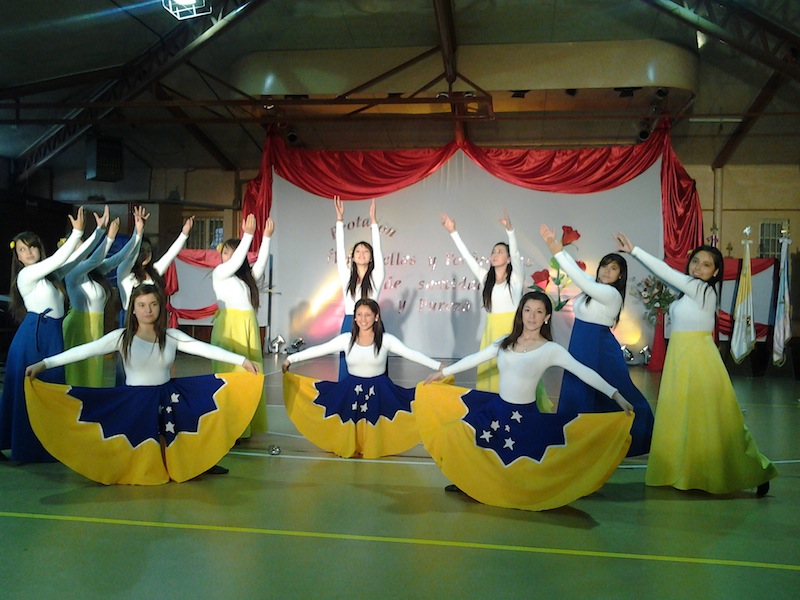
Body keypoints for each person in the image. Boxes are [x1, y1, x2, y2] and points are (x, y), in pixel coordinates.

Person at [24, 284, 263, 485]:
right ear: (133, 309)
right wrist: (45, 364)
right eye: (141, 305)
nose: (148, 310)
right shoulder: (121, 337)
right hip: (134, 402)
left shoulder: (171, 336)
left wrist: (241, 360)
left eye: (153, 304)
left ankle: (196, 463)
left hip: (167, 400)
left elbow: (205, 349)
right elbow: (83, 351)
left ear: (160, 306)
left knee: (179, 432)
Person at [418, 291, 634, 512]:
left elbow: (583, 371)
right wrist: (444, 372)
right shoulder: (504, 342)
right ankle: (467, 482)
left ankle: (507, 490)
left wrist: (615, 394)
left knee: (519, 464)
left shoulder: (550, 350)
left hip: (524, 418)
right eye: (528, 310)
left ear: (547, 317)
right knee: (455, 433)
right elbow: (475, 358)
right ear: (521, 313)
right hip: (496, 411)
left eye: (539, 312)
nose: (532, 316)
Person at [615, 234, 777, 497]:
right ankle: (683, 472)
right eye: (696, 261)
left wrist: (635, 251)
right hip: (681, 357)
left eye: (706, 265)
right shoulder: (690, 291)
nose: (698, 267)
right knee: (684, 417)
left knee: (715, 420)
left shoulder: (701, 290)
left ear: (715, 272)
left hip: (697, 358)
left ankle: (754, 470)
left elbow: (666, 272)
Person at [539, 224, 654, 456]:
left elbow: (581, 280)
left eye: (613, 268)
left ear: (620, 275)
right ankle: (577, 438)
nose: (607, 271)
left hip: (599, 348)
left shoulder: (610, 294)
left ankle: (641, 434)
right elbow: (578, 273)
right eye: (605, 266)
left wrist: (557, 252)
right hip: (582, 344)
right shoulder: (594, 287)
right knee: (579, 389)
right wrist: (555, 246)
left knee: (614, 391)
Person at [282, 298, 441, 458]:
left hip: (379, 392)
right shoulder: (346, 339)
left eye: (368, 315)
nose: (363, 319)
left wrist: (439, 367)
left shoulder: (386, 340)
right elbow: (319, 349)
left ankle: (373, 446)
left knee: (376, 421)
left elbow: (411, 354)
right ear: (355, 317)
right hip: (351, 391)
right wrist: (291, 359)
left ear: (376, 317)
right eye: (359, 315)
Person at [1, 207, 88, 463]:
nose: (28, 253)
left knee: (48, 391)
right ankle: (26, 447)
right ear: (17, 257)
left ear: (39, 248)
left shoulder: (50, 277)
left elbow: (77, 258)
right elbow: (58, 259)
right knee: (29, 392)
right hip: (34, 338)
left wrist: (101, 234)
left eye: (32, 247)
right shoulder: (26, 274)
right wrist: (76, 233)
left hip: (50, 337)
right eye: (22, 250)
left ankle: (45, 444)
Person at [440, 211, 551, 411]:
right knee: (489, 371)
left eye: (500, 251)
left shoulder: (515, 279)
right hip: (491, 332)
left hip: (512, 331)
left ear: (508, 259)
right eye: (493, 252)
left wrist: (510, 231)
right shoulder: (486, 279)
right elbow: (468, 258)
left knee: (515, 373)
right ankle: (491, 413)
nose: (495, 254)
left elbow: (516, 255)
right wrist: (453, 232)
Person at [210, 213, 273, 436]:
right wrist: (248, 236)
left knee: (250, 376)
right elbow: (236, 262)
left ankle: (244, 427)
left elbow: (261, 263)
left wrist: (266, 238)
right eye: (225, 252)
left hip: (248, 329)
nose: (228, 256)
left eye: (232, 252)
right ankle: (229, 428)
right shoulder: (219, 273)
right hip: (229, 329)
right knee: (231, 376)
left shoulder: (246, 279)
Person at [334, 196, 385, 380]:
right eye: (358, 251)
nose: (361, 254)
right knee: (347, 371)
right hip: (350, 322)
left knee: (375, 368)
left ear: (371, 257)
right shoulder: (347, 276)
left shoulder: (376, 276)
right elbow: (340, 251)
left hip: (373, 325)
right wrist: (339, 220)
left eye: (365, 251)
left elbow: (378, 250)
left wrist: (374, 222)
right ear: (353, 257)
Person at [117, 210, 194, 319]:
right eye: (141, 251)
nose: (146, 254)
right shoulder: (124, 272)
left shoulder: (154, 270)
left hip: (153, 318)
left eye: (148, 251)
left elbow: (170, 254)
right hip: (131, 319)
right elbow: (131, 253)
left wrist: (184, 234)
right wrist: (138, 231)